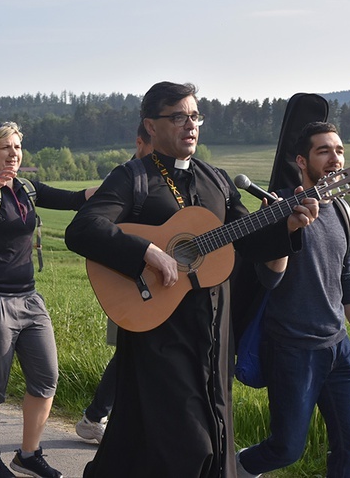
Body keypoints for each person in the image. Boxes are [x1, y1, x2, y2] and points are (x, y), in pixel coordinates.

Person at [64, 81, 319, 478]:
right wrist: (145, 251)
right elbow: (83, 229)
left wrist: (286, 224)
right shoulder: (133, 177)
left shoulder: (215, 179)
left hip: (213, 332)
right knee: (186, 442)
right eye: (178, 116)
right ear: (150, 125)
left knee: (211, 436)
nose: (191, 125)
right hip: (158, 332)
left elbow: (247, 240)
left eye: (195, 116)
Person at [0, 121, 97, 478]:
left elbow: (72, 199)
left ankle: (29, 454)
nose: (13, 154)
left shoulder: (26, 189)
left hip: (29, 298)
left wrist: (120, 184)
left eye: (17, 147)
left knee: (46, 377)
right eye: (5, 147)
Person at [235, 122, 350, 478]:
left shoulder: (342, 210)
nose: (335, 158)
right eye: (324, 151)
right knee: (286, 448)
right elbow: (270, 277)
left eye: (339, 150)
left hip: (338, 347)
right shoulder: (278, 207)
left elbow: (347, 275)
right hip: (293, 348)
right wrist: (288, 229)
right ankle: (235, 466)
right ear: (302, 160)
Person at [75, 121, 153, 444]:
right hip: (127, 279)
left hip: (155, 281)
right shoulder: (129, 178)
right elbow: (97, 231)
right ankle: (99, 417)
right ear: (141, 141)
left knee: (131, 352)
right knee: (130, 351)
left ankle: (97, 415)